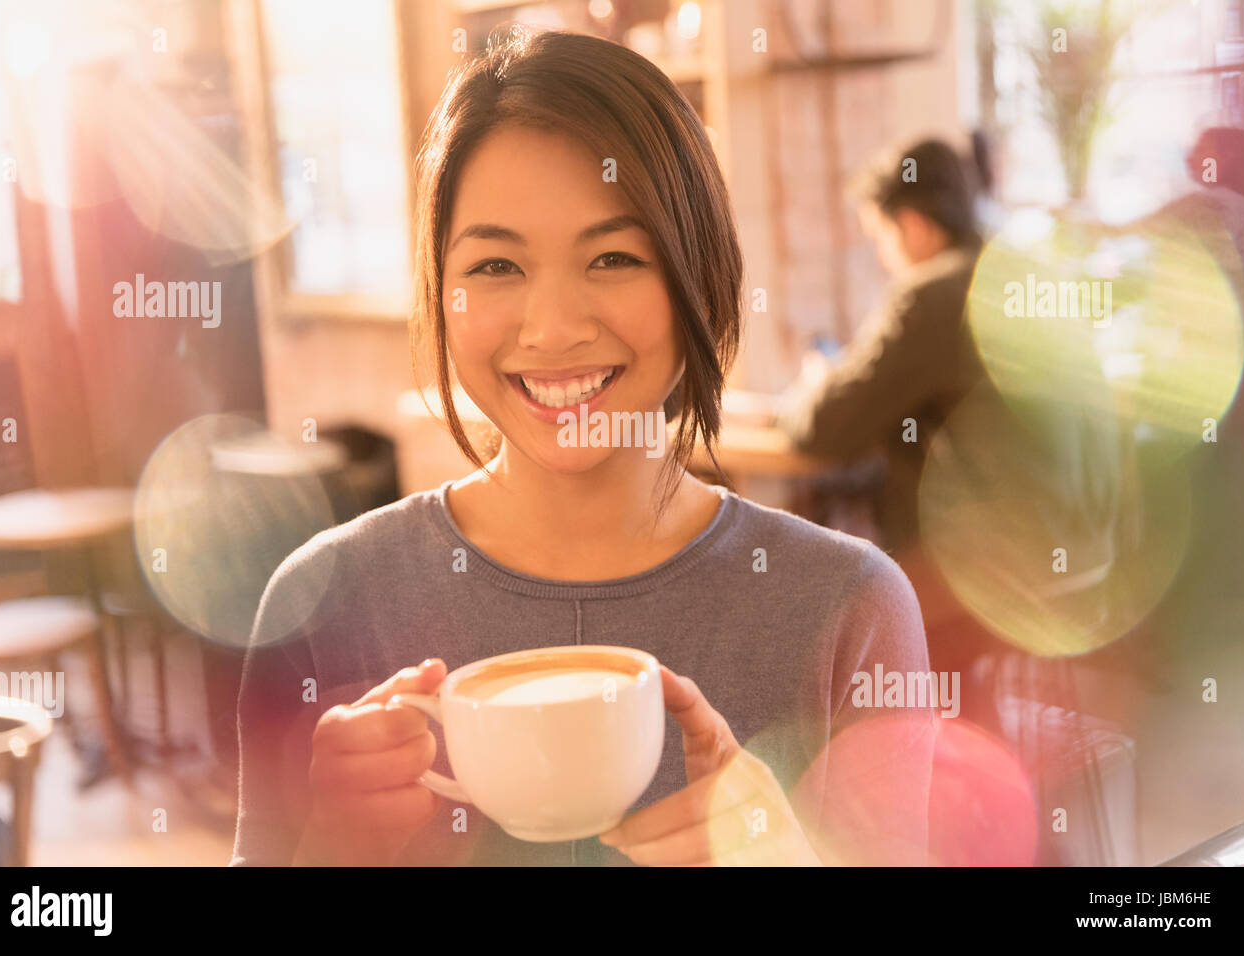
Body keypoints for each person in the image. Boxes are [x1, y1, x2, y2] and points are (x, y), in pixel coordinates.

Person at [230, 27, 934, 868]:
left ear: (697, 277)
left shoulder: (848, 609)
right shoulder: (322, 600)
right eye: (496, 266)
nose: (554, 328)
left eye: (612, 256)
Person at [775, 138, 986, 557]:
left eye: (879, 238)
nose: (882, 258)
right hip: (1075, 568)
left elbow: (824, 428)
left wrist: (816, 380)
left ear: (913, 226)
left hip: (978, 577)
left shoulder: (929, 298)